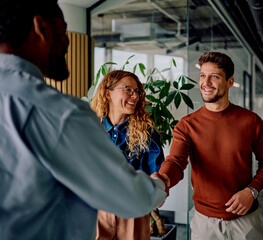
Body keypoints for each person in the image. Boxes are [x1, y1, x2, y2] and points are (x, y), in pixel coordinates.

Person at [0, 0, 168, 239]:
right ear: (41, 28)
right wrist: (160, 187)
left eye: (137, 91)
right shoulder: (61, 114)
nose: (67, 41)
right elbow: (135, 197)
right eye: (63, 29)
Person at [152, 51, 263, 239]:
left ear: (229, 82)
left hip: (247, 220)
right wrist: (163, 180)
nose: (206, 82)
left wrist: (252, 191)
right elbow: (176, 162)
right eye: (203, 76)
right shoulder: (187, 125)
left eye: (215, 76)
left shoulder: (251, 121)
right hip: (205, 224)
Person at [91, 70, 165, 240]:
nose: (135, 96)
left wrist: (158, 188)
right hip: (96, 209)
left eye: (137, 91)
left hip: (133, 209)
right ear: (108, 94)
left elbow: (156, 173)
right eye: (128, 90)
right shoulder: (90, 128)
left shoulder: (146, 133)